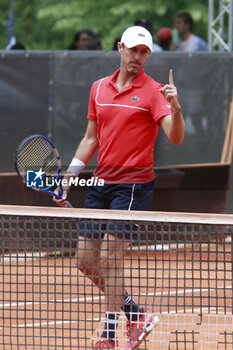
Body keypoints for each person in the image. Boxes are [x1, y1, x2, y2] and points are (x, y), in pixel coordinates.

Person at [54, 25, 185, 349]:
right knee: (85, 260)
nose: (137, 57)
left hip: (133, 186)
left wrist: (177, 108)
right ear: (120, 48)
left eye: (144, 52)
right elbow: (90, 139)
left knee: (112, 260)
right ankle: (136, 315)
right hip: (101, 181)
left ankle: (109, 337)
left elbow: (176, 136)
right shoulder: (99, 88)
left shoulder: (155, 91)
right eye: (132, 50)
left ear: (147, 56)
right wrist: (71, 175)